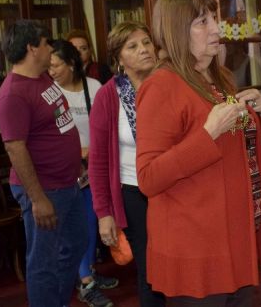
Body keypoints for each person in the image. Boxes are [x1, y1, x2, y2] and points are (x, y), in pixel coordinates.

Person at [136, 0, 261, 305]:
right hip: (196, 247)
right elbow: (149, 177)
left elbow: (231, 149)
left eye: (214, 17)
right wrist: (206, 135)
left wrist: (259, 116)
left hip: (233, 237)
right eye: (202, 21)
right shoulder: (160, 86)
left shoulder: (218, 78)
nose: (216, 28)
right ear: (176, 31)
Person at [0, 20, 88, 307]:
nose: (51, 48)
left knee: (77, 243)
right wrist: (37, 199)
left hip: (68, 182)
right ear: (32, 48)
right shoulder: (13, 94)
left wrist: (77, 167)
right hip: (44, 190)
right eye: (46, 43)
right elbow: (15, 147)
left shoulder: (43, 79)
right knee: (43, 262)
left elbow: (59, 125)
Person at [88, 21, 165, 307]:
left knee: (177, 265)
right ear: (119, 59)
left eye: (146, 42)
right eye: (132, 46)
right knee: (151, 271)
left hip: (172, 188)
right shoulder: (108, 96)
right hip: (134, 192)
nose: (144, 49)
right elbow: (97, 160)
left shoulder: (170, 84)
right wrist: (103, 213)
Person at [48, 39, 118, 307]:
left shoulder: (95, 88)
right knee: (74, 229)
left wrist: (94, 154)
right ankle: (85, 282)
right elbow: (52, 134)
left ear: (72, 64)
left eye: (56, 66)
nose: (51, 71)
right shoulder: (51, 93)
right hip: (66, 170)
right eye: (49, 66)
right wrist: (78, 152)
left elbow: (107, 125)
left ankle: (88, 271)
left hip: (95, 169)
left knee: (92, 223)